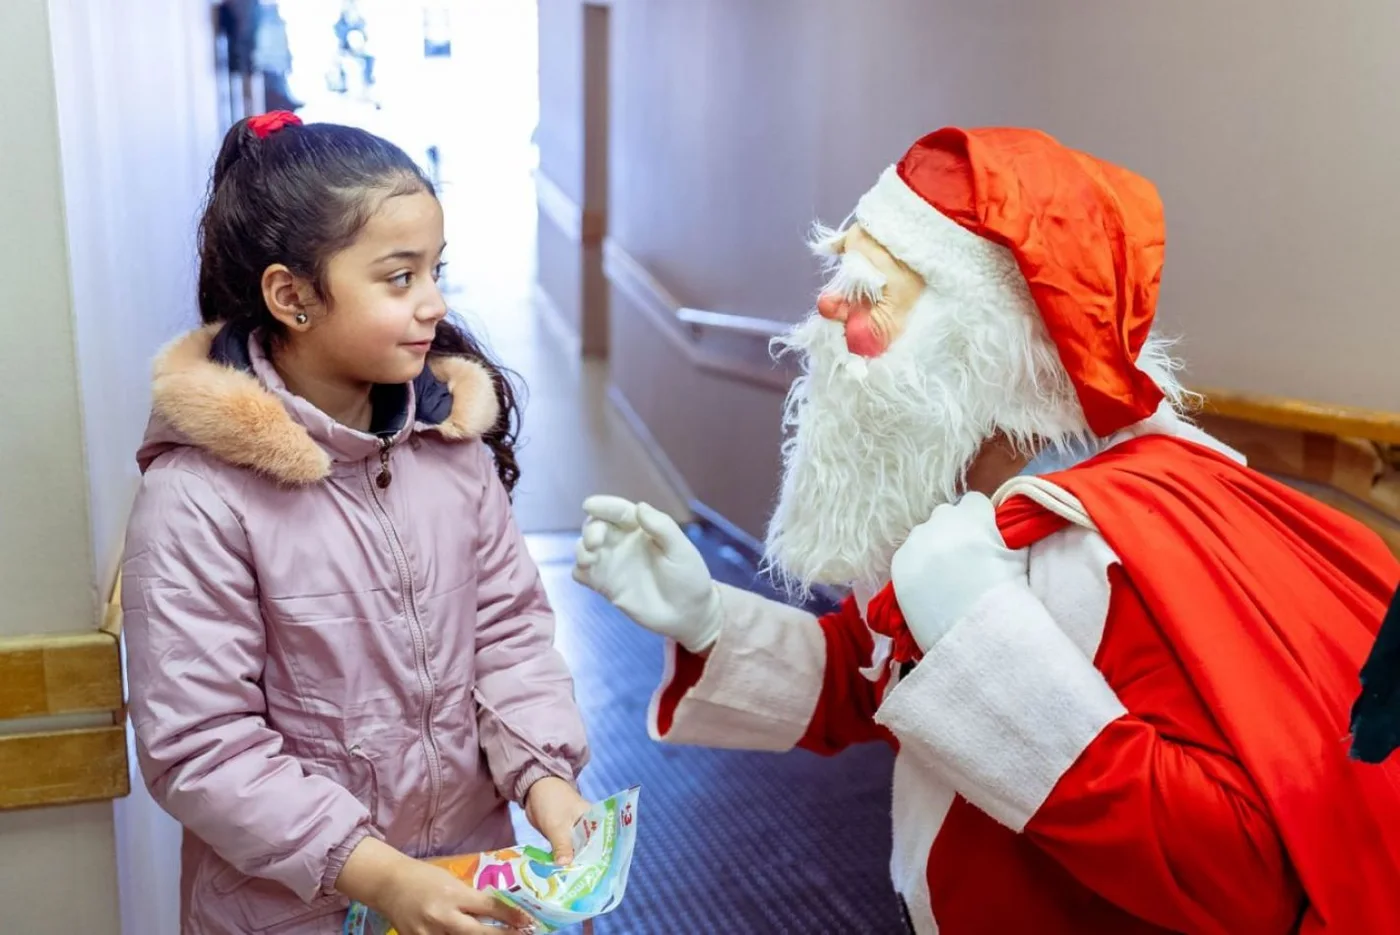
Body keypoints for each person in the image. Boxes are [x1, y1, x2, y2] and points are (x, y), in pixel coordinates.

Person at [573, 127, 1400, 933]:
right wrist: (710, 621)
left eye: (867, 292)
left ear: (987, 346)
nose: (827, 310)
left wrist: (989, 647)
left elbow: (1245, 879)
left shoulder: (1115, 554)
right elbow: (874, 681)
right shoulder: (960, 502)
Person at [121, 111, 590, 935]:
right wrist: (381, 876)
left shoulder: (451, 451)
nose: (435, 303)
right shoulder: (198, 496)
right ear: (293, 296)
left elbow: (509, 636)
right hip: (294, 912)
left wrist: (546, 778)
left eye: (437, 270)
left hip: (467, 887)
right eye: (399, 277)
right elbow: (202, 747)